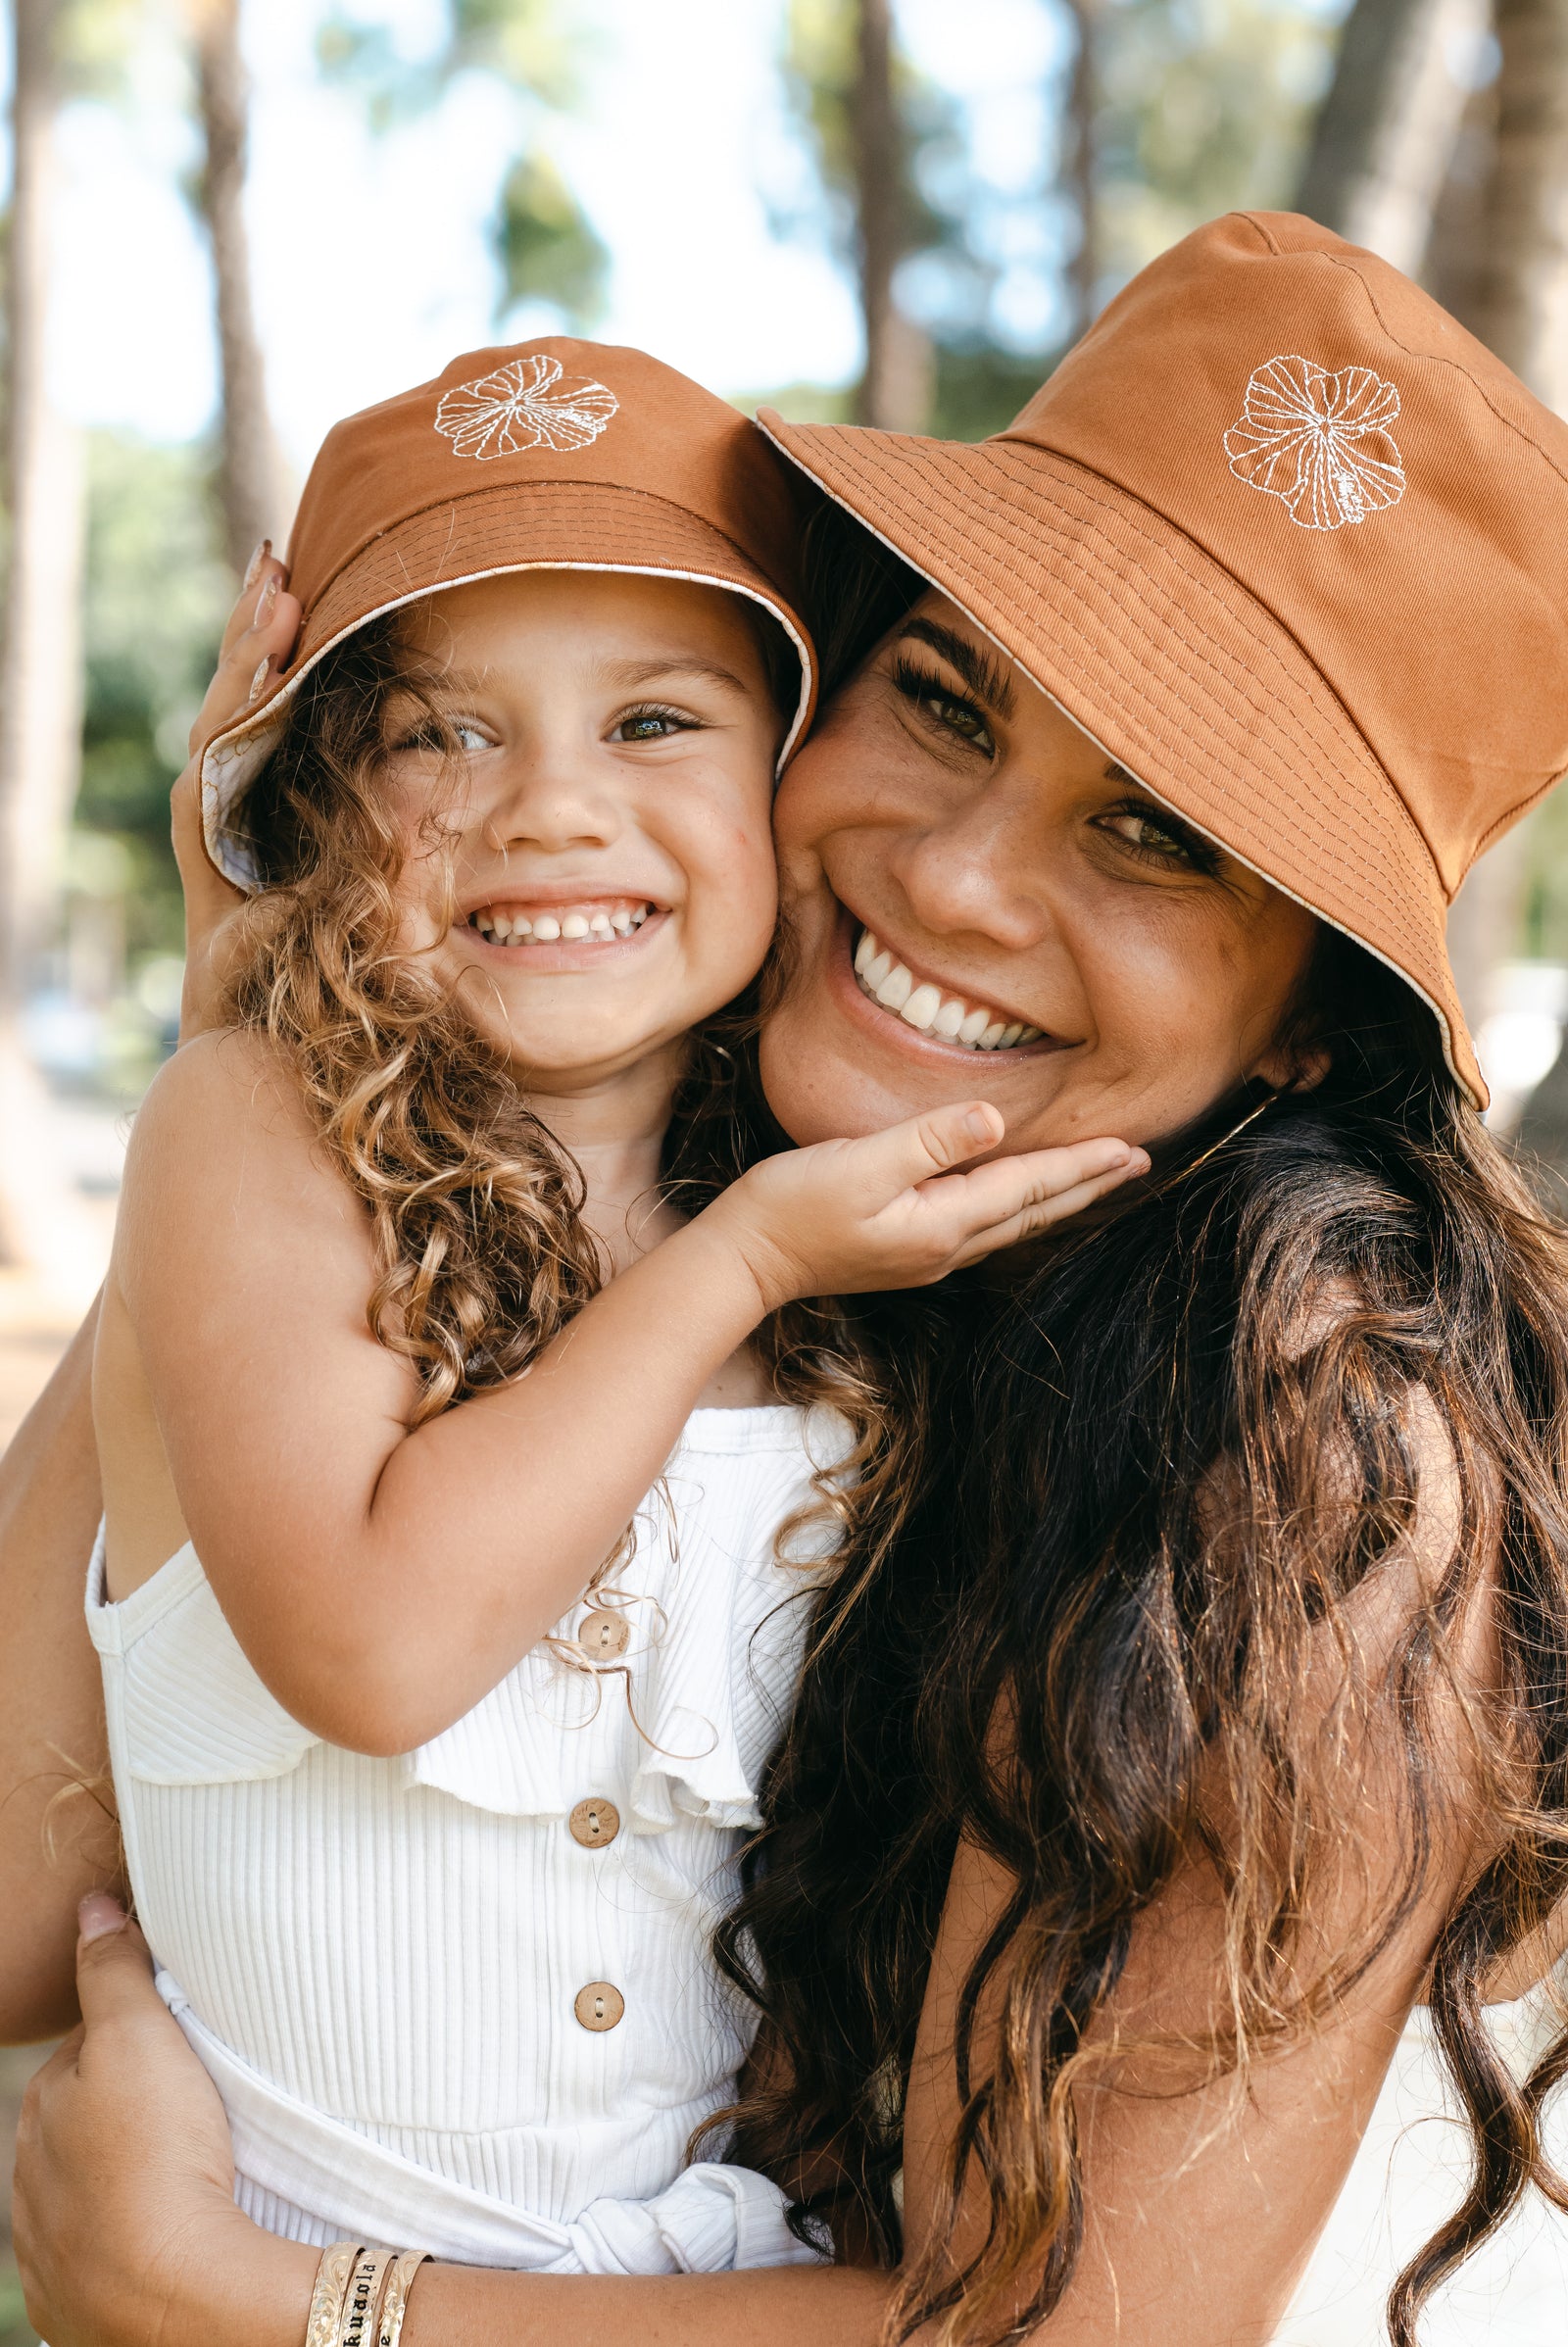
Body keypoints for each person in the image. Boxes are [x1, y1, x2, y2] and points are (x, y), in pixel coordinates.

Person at [12, 211, 1568, 2347]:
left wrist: (277, 2305)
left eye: (1155, 833)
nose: (952, 876)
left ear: (1312, 1023)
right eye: (941, 699)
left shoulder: (1314, 1444)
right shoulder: (748, 1204)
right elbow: (29, 1900)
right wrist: (274, 1070)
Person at [87, 333, 1141, 2281]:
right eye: (437, 735)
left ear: (785, 775)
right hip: (286, 2266)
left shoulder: (840, 1240)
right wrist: (737, 1267)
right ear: (312, 797)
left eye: (654, 721)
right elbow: (376, 1645)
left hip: (714, 2287)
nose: (549, 808)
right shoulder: (251, 1132)